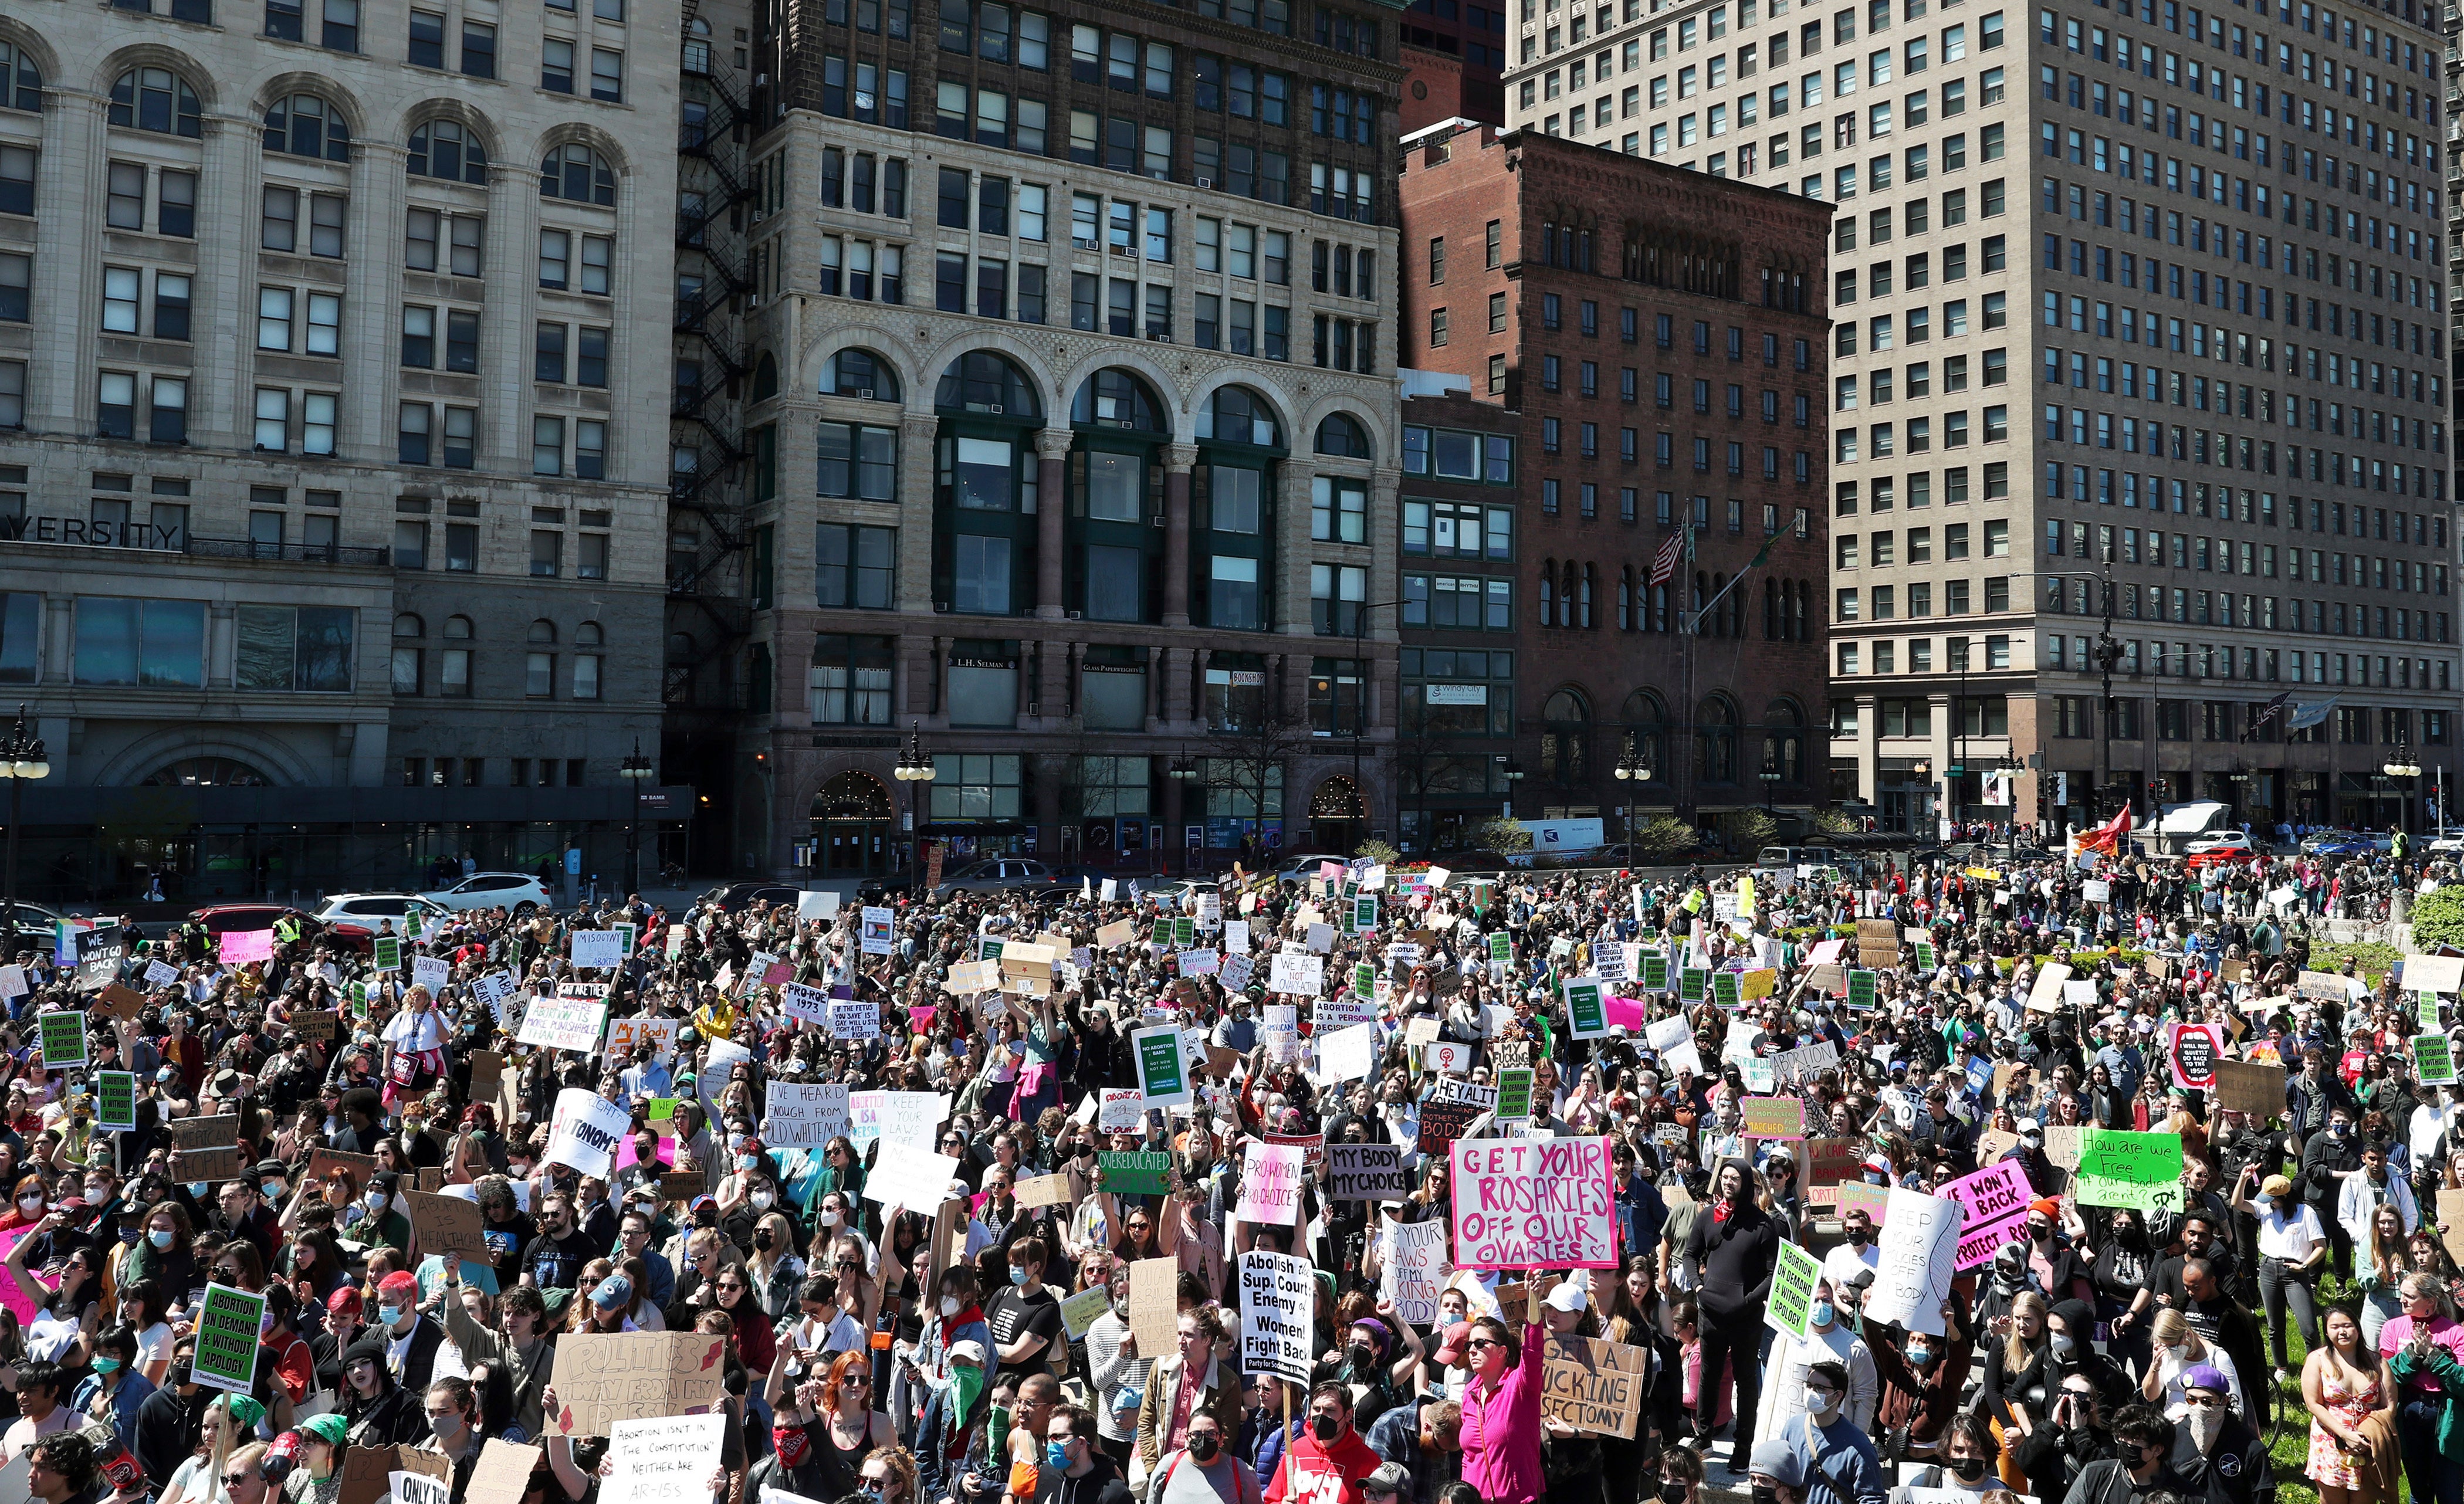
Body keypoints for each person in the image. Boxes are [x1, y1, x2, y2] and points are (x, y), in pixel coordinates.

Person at [1681, 1161, 1777, 1470]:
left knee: (1745, 1381)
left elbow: (1771, 1273)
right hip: (1710, 1313)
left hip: (1745, 1316)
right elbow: (1690, 1254)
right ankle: (1704, 1436)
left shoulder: (1763, 1225)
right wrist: (1697, 1287)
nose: (1728, 1183)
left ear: (1746, 1183)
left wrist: (1749, 1301)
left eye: (1735, 1178)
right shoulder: (1708, 1216)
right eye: (1724, 1178)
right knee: (1708, 1376)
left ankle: (1744, 1446)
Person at [2302, 1305, 2394, 1504]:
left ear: (2358, 1329)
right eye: (2335, 1327)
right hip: (2330, 1443)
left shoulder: (2377, 1362)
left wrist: (2366, 1436)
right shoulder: (2317, 1360)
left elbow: (2390, 1407)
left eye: (2347, 1326)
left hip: (2368, 1445)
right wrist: (2345, 1435)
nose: (2342, 1331)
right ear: (2326, 1331)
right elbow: (2314, 1404)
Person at [2165, 1367, 2273, 1504]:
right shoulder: (2172, 1437)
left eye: (2207, 1401)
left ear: (2224, 1401)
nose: (2199, 1407)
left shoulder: (2250, 1447)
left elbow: (2262, 1495)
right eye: (2192, 1400)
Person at [1265, 1383, 1384, 1504]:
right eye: (1317, 1409)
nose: (1321, 1415)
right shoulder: (1295, 1450)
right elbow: (1271, 1499)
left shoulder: (1368, 1462)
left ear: (1348, 1415)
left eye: (1330, 1410)